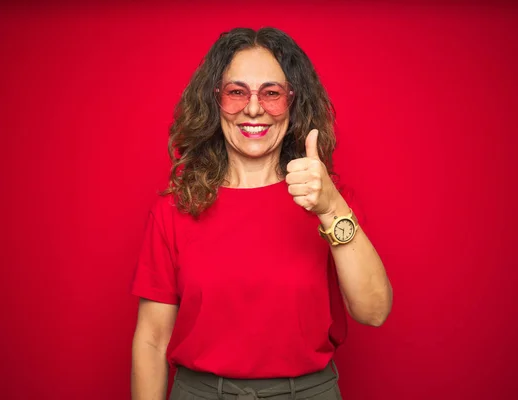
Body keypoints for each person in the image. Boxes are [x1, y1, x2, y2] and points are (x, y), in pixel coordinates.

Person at [130, 27, 393, 400]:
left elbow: (374, 311)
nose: (254, 109)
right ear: (214, 101)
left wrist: (332, 208)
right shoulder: (175, 208)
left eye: (271, 94)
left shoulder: (331, 201)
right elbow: (153, 340)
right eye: (237, 93)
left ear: (293, 102)